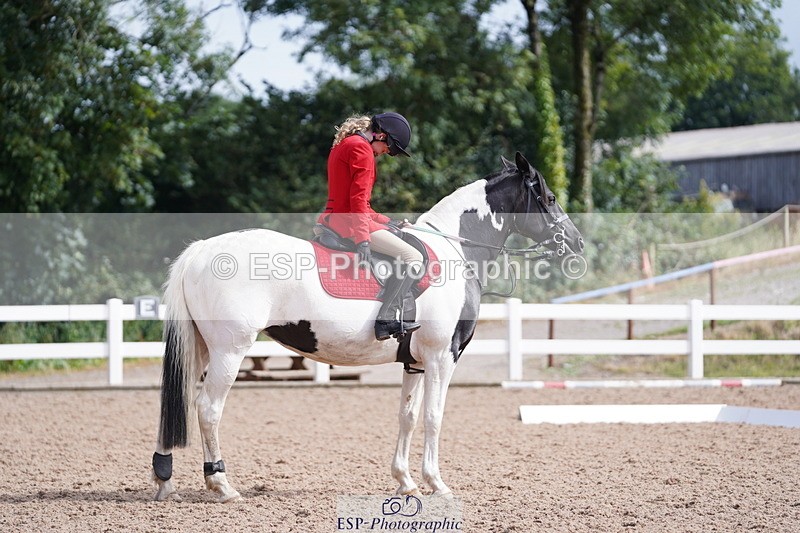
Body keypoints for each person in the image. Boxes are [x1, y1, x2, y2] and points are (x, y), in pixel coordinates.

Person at [317, 112, 424, 341]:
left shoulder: (347, 143)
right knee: (413, 257)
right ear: (381, 135)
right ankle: (387, 318)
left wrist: (388, 222)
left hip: (337, 218)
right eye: (389, 148)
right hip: (349, 223)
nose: (387, 153)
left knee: (397, 238)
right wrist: (363, 239)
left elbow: (360, 204)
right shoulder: (362, 150)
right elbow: (357, 203)